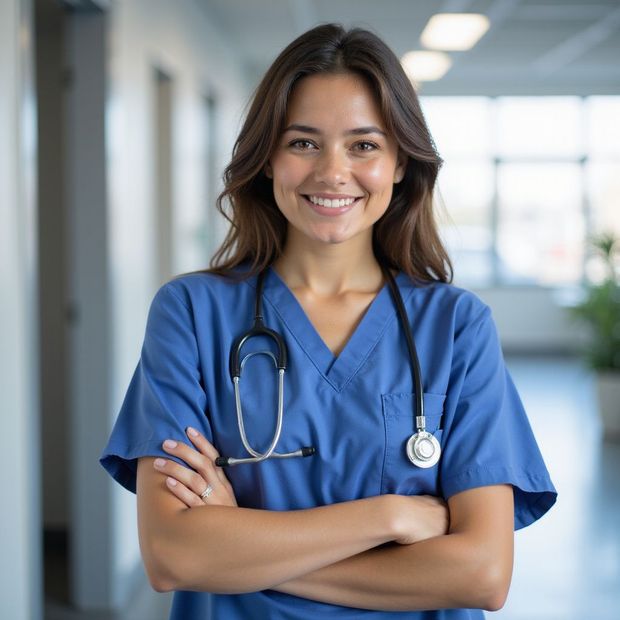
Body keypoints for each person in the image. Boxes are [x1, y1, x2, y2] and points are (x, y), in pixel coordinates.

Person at [100, 23, 557, 619]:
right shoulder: (191, 313)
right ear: (267, 158)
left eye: (364, 145)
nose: (332, 172)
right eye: (303, 143)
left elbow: (482, 574)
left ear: (399, 164)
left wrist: (240, 542)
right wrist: (391, 516)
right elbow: (174, 556)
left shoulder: (455, 325)